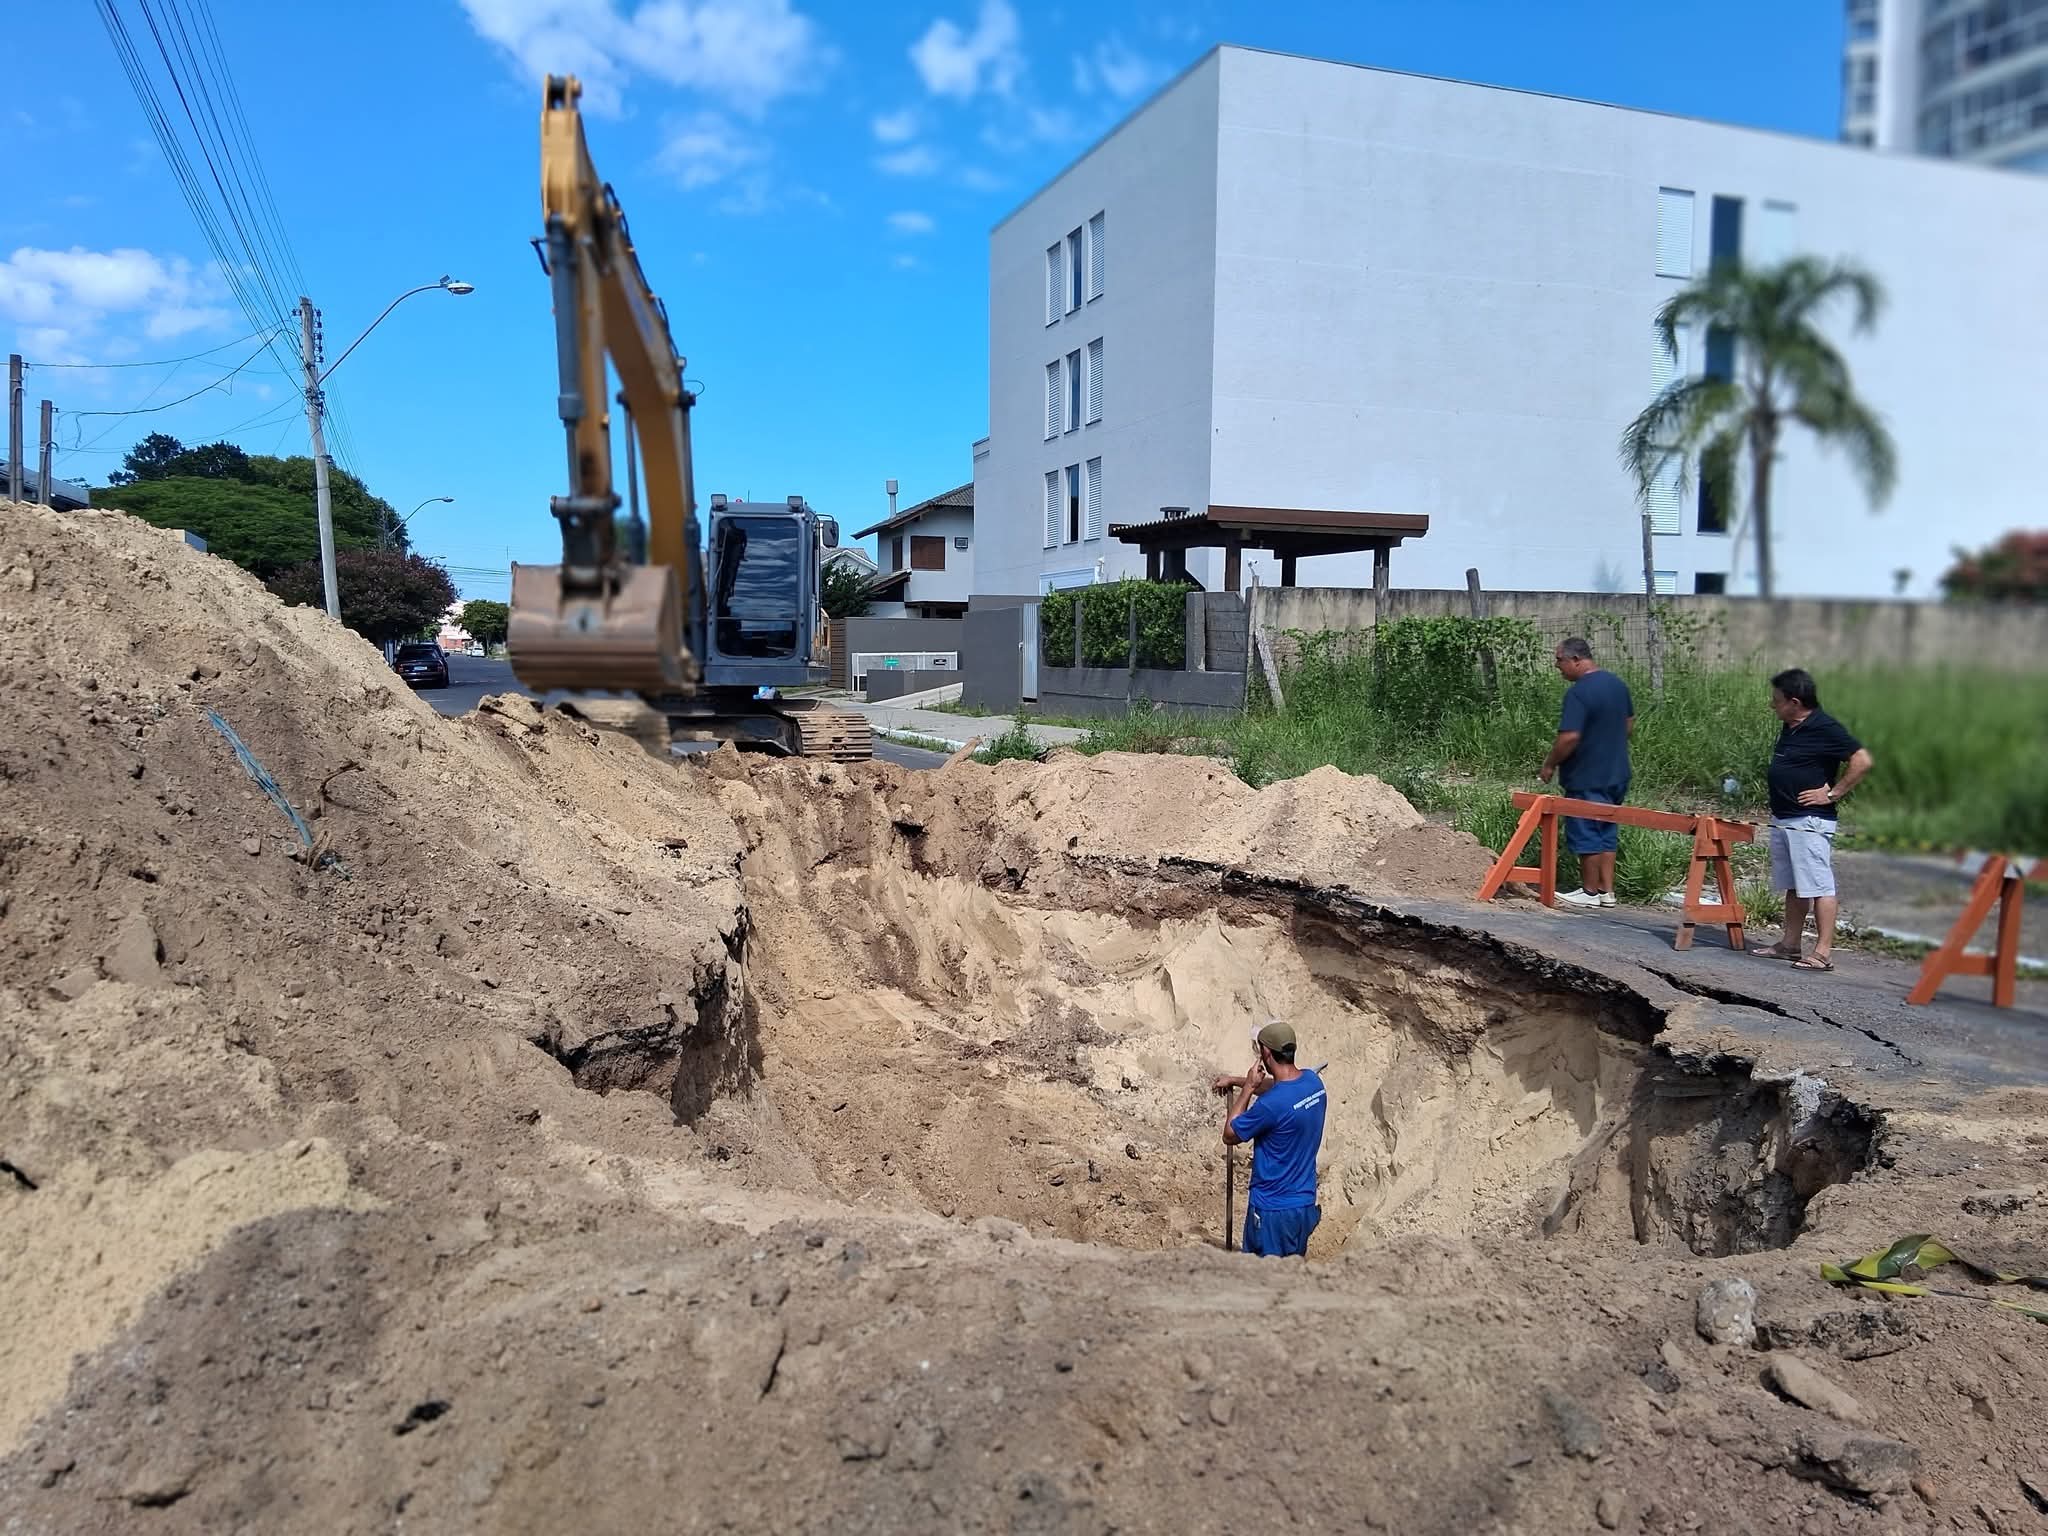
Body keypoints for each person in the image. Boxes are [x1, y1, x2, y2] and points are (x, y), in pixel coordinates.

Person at [1753, 667, 1874, 972]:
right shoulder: (1791, 726)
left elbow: (1862, 761)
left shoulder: (1825, 727)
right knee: (1795, 885)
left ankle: (1822, 952)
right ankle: (1790, 944)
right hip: (1784, 817)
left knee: (1819, 885)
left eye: (1776, 700)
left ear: (1794, 702)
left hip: (1810, 820)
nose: (1772, 705)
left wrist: (1832, 794)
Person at [1212, 1020, 1327, 1258]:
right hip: (1303, 1204)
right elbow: (1280, 1087)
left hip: (1272, 1211)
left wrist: (1247, 1089)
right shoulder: (1313, 1083)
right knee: (1291, 1270)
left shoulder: (1270, 1105)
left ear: (1266, 1053)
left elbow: (1230, 1134)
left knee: (1262, 1276)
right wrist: (1236, 1080)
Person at [1538, 637, 1635, 909]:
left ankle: (1589, 892)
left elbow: (1569, 737)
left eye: (1559, 660)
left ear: (1576, 659)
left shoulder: (1579, 693)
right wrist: (1609, 744)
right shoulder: (1617, 685)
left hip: (1587, 775)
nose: (1557, 666)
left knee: (1586, 829)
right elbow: (1628, 722)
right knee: (1607, 828)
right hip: (1617, 772)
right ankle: (1607, 891)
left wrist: (1549, 764)